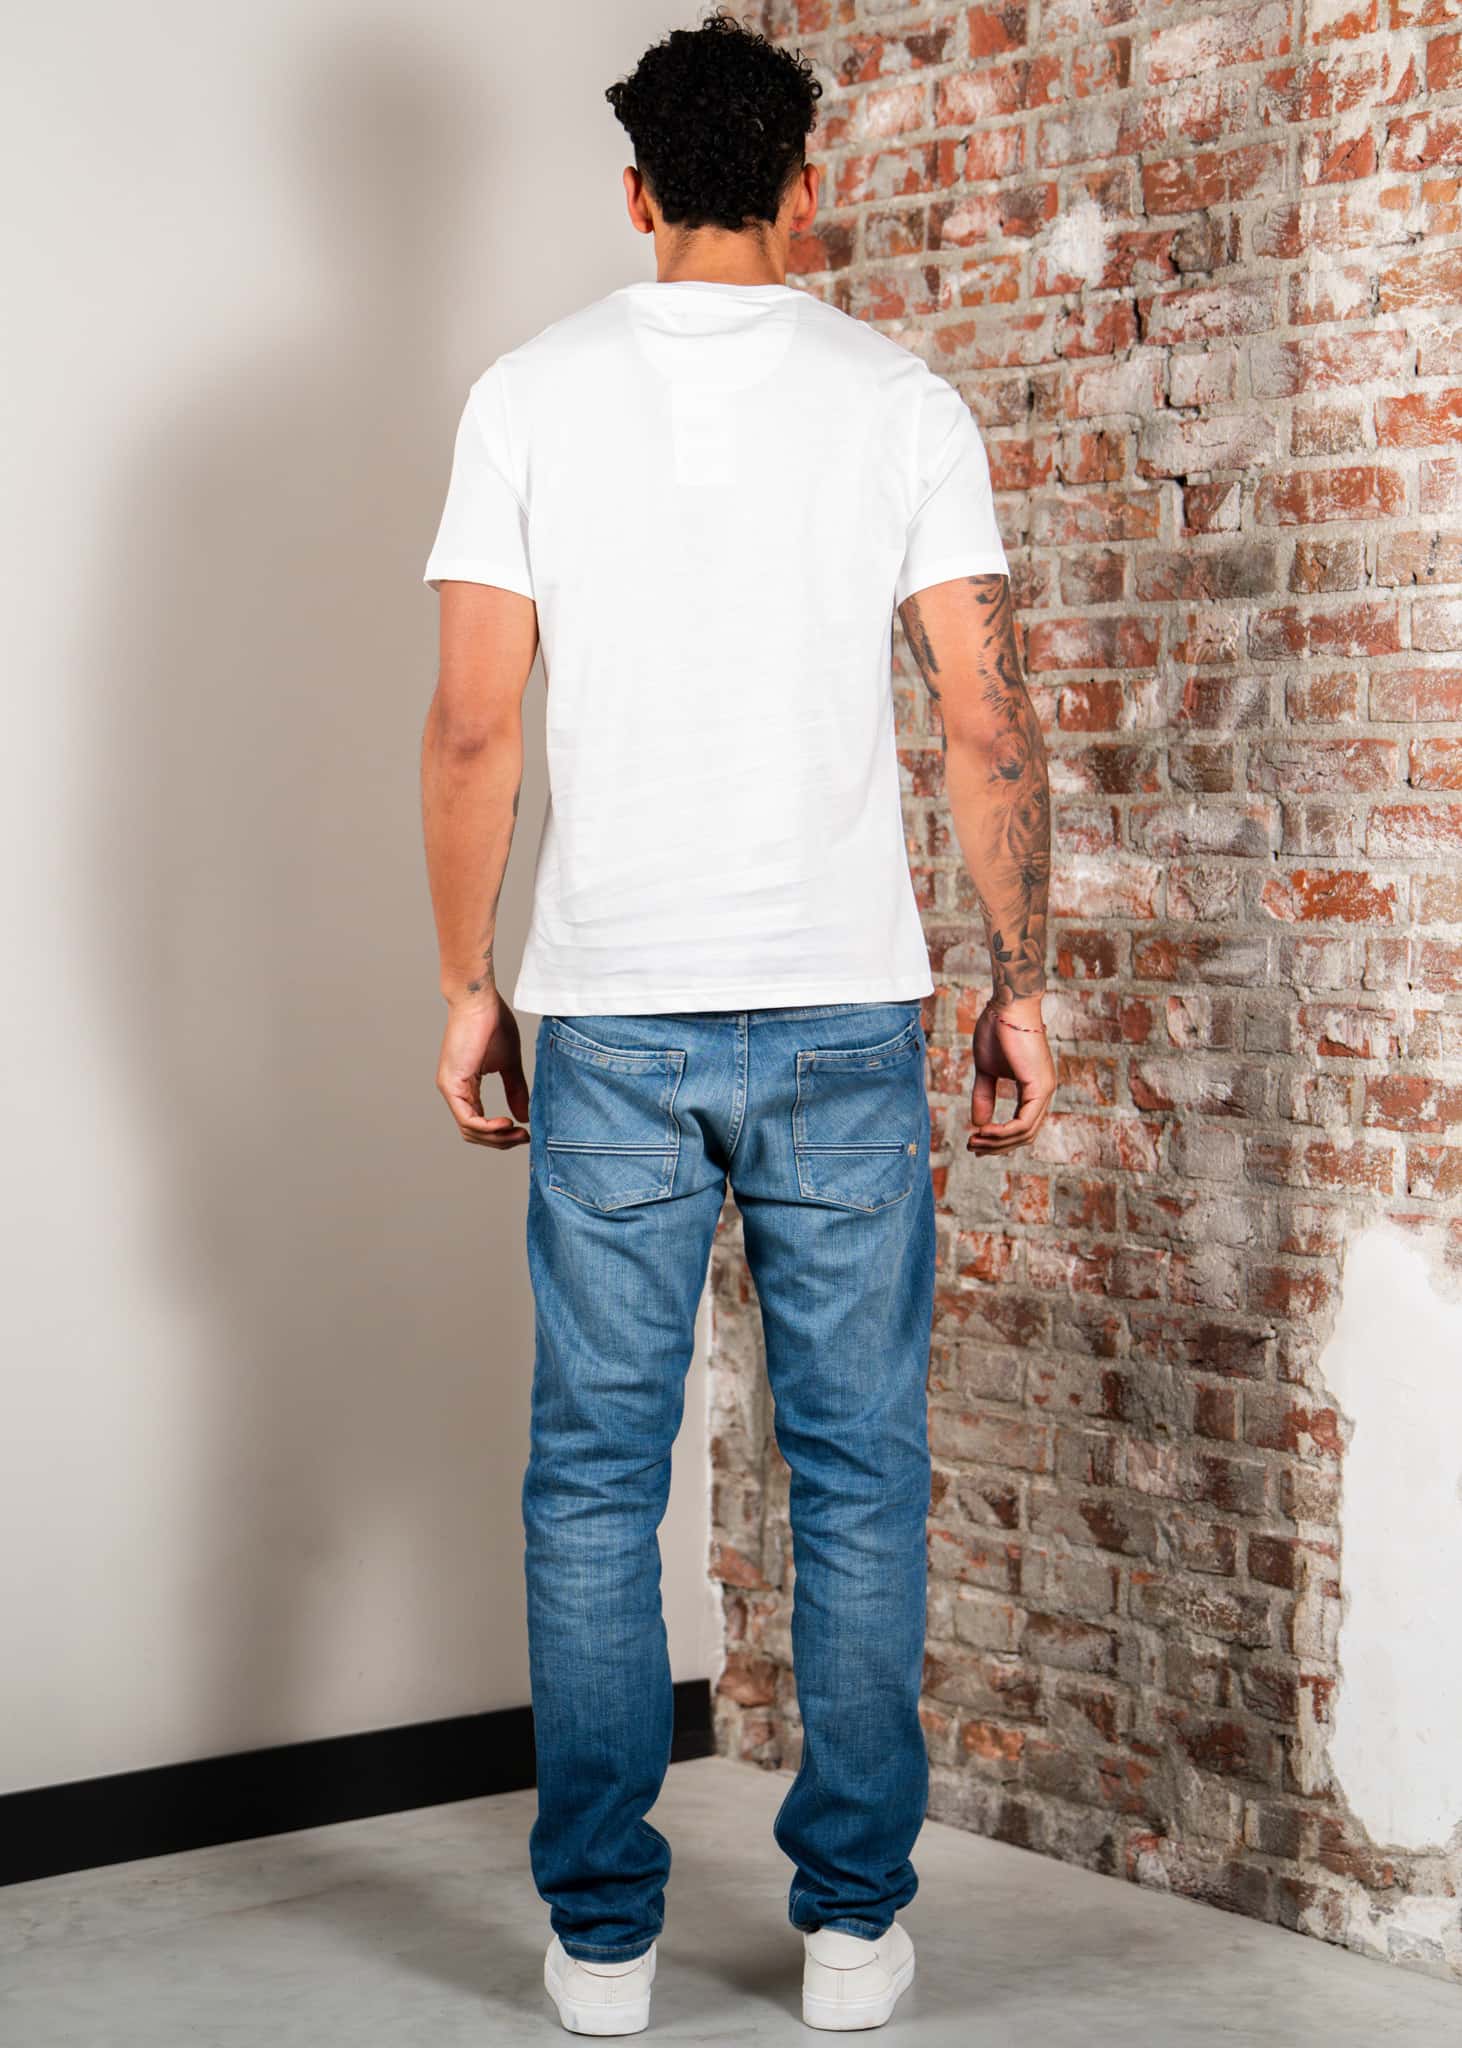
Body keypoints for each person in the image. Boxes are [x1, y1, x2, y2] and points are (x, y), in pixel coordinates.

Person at [419, 11, 1055, 2034]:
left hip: (611, 1013)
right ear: (803, 188)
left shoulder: (527, 396)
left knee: (594, 1482)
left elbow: (472, 728)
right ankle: (851, 1928)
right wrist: (1020, 978)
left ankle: (603, 1940)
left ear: (634, 193)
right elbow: (984, 719)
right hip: (844, 1009)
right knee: (858, 1473)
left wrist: (467, 983)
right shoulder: (897, 401)